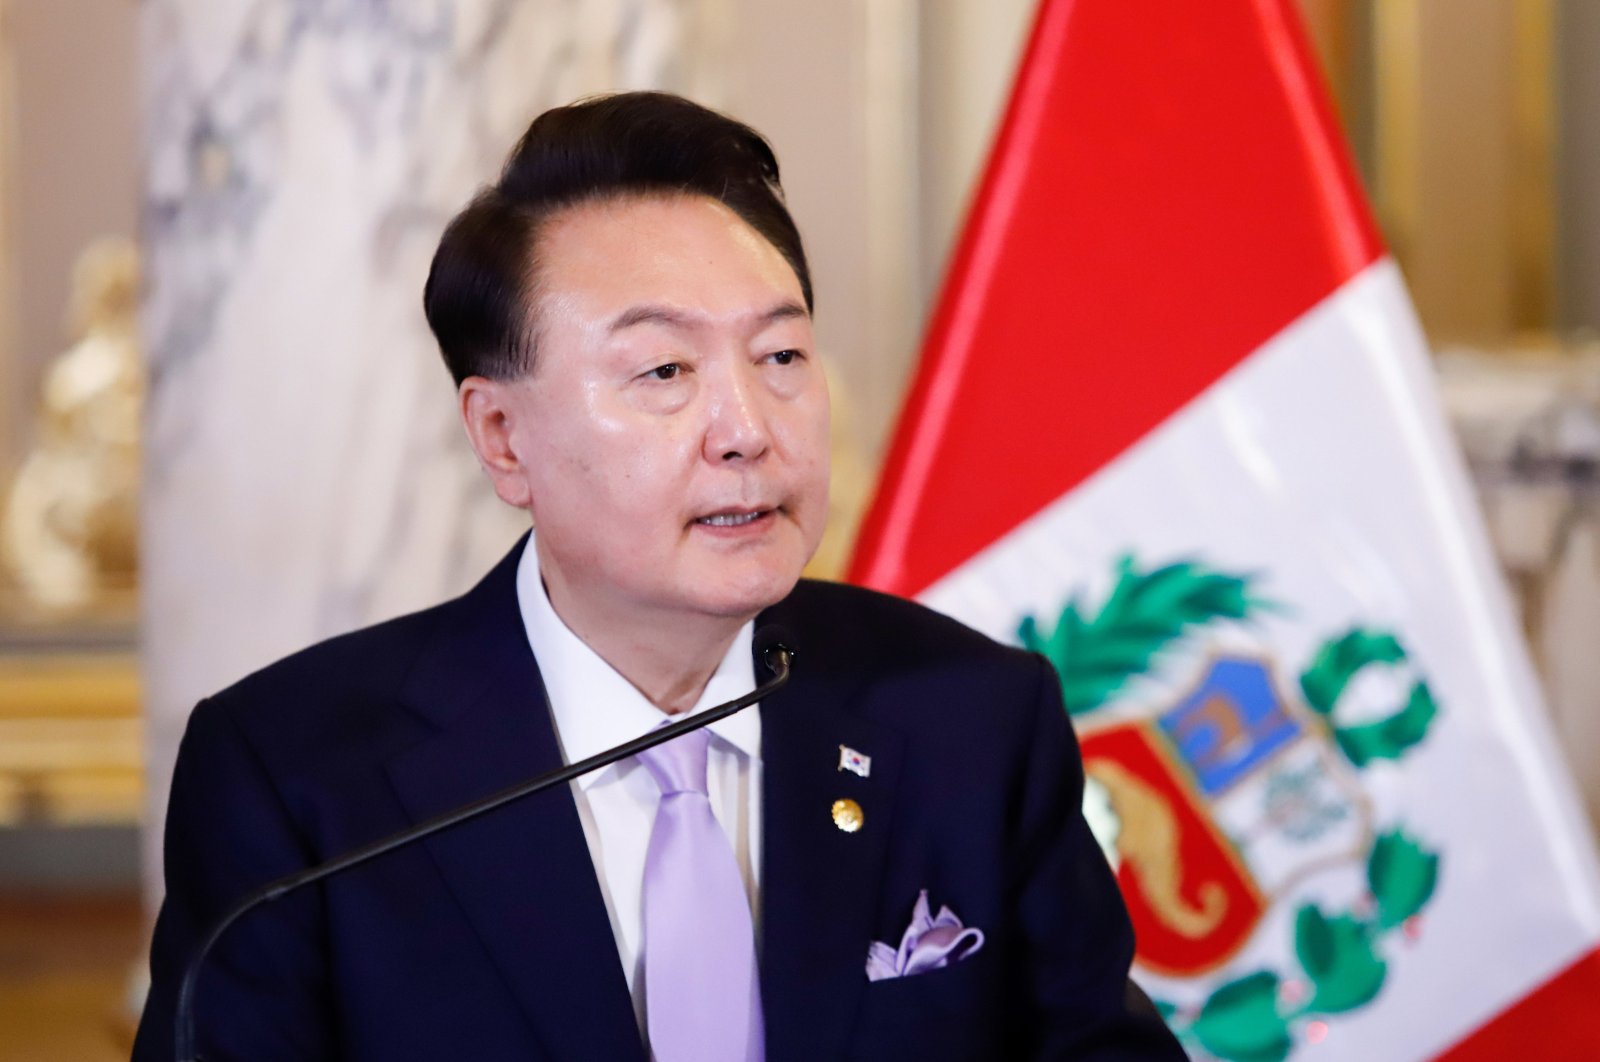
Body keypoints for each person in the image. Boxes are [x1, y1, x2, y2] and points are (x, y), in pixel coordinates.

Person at [134, 92, 1186, 1061]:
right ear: (502, 438)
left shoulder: (968, 720)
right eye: (664, 372)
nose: (747, 431)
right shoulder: (299, 778)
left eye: (780, 358)